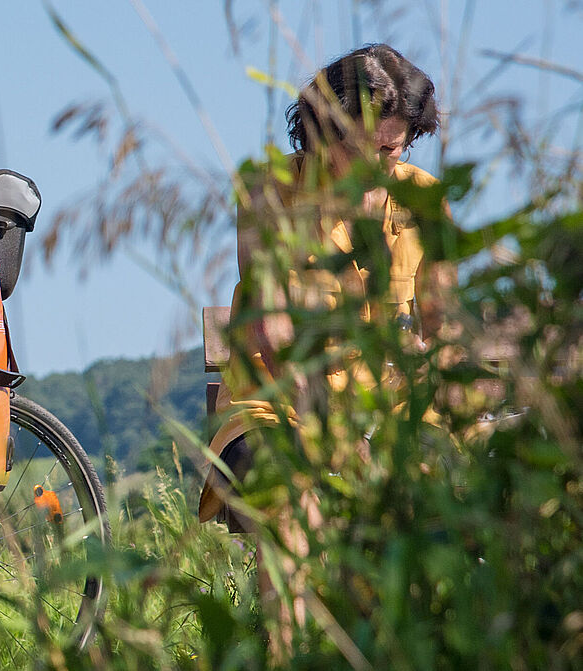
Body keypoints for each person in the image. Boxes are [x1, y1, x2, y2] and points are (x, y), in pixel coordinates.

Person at [196, 43, 453, 656]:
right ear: (320, 127)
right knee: (292, 504)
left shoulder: (424, 200)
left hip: (390, 419)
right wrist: (343, 441)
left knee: (443, 506)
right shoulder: (268, 191)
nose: (374, 165)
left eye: (390, 151)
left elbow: (446, 333)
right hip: (275, 409)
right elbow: (272, 334)